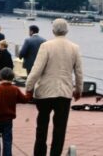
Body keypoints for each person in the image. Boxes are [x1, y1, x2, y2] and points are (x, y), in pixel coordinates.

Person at [25, 18, 83, 156]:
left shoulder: (46, 46)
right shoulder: (74, 48)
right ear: (67, 31)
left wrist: (29, 87)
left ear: (53, 30)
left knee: (42, 128)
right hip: (64, 93)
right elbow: (79, 72)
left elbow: (36, 70)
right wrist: (78, 90)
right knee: (60, 129)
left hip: (45, 93)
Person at [0, 67, 32, 156]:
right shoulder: (15, 89)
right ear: (12, 78)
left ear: (0, 77)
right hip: (8, 120)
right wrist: (29, 91)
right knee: (7, 140)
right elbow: (25, 99)